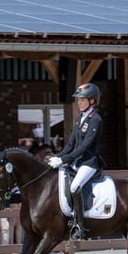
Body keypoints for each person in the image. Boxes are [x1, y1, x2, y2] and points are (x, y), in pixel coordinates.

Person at [47, 82, 103, 240]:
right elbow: (71, 144)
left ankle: (80, 225)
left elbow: (85, 146)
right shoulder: (80, 119)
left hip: (89, 163)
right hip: (76, 162)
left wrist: (64, 159)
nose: (79, 103)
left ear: (92, 101)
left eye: (82, 100)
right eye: (78, 100)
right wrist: (58, 156)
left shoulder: (95, 120)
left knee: (74, 186)